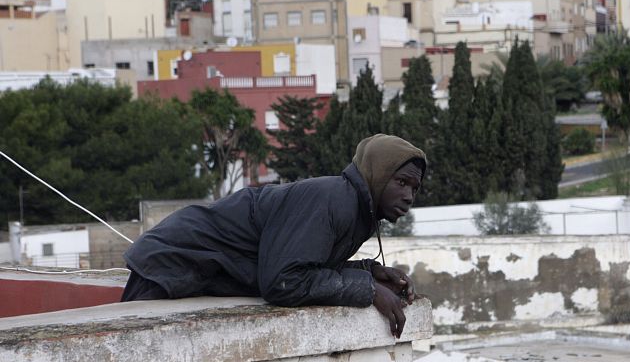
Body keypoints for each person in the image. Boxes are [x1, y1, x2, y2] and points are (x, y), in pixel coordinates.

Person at [121, 134, 426, 338]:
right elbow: (283, 282)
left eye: (414, 188)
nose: (409, 196)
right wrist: (369, 290)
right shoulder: (332, 199)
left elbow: (305, 264)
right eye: (401, 182)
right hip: (173, 263)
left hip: (194, 269)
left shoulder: (358, 212)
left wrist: (369, 272)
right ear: (378, 174)